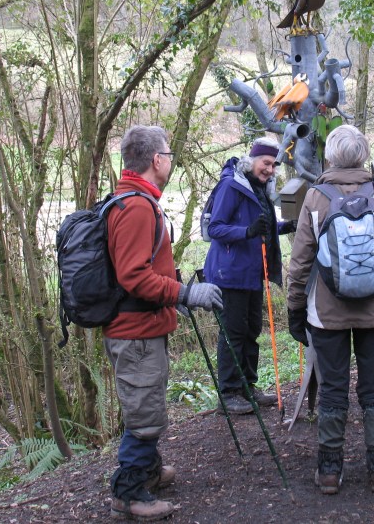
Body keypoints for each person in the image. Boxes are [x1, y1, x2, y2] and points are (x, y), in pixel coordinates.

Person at [105, 125, 223, 521]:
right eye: (168, 154)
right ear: (156, 160)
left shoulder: (134, 199)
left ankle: (149, 472)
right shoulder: (137, 207)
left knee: (148, 403)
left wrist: (173, 292)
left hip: (141, 326)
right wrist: (184, 293)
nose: (171, 160)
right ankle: (128, 492)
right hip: (135, 332)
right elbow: (133, 277)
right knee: (144, 413)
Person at [287, 125, 374, 495]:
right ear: (363, 156)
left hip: (327, 313)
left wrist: (295, 307)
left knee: (333, 388)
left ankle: (329, 470)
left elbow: (300, 260)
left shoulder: (316, 197)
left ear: (330, 157)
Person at [203, 136, 297, 414]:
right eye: (266, 163)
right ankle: (229, 394)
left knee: (251, 331)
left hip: (253, 272)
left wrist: (284, 227)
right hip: (229, 273)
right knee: (233, 332)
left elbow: (261, 226)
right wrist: (247, 232)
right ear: (252, 159)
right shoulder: (231, 186)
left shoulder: (260, 188)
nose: (270, 169)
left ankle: (247, 386)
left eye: (274, 165)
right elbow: (215, 228)